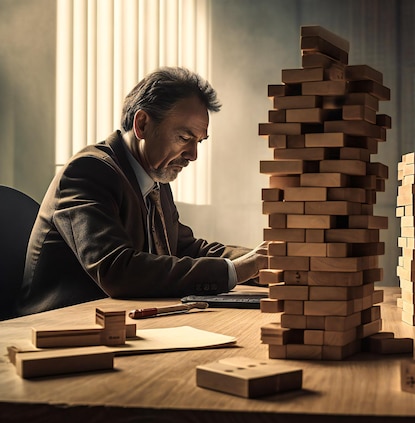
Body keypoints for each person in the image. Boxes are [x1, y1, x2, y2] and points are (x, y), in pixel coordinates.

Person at [19, 67, 268, 316]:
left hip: (123, 324)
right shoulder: (89, 171)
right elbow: (117, 270)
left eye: (198, 142)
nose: (193, 155)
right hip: (60, 328)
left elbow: (185, 249)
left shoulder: (156, 178)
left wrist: (261, 262)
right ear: (142, 124)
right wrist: (237, 270)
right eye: (184, 137)